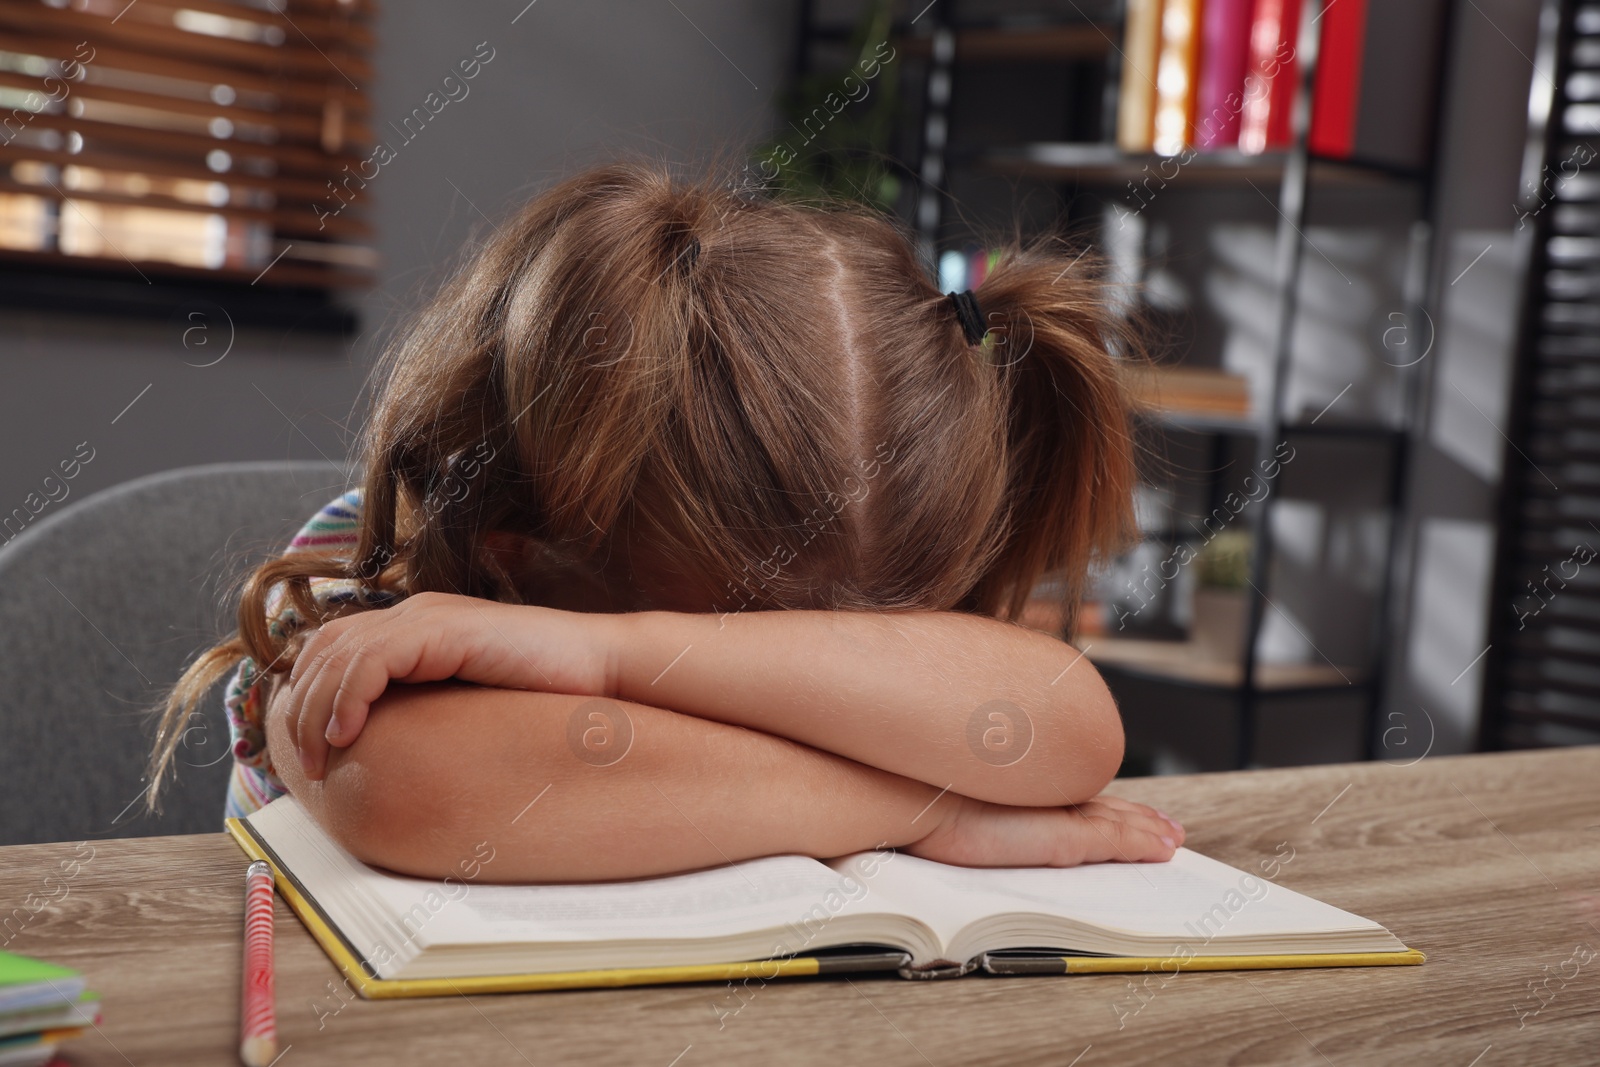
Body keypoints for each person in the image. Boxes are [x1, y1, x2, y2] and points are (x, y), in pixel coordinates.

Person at [145, 161, 1185, 882]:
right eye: (748, 637)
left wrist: (608, 648)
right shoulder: (362, 587)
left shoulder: (595, 616)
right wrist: (932, 806)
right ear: (524, 557)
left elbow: (1071, 725)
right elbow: (398, 786)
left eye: (850, 649)